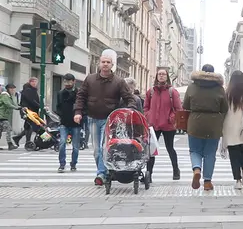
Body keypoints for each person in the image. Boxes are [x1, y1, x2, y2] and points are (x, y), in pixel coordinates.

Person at [73, 49, 135, 186]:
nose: (105, 64)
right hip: (93, 118)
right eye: (103, 62)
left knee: (103, 148)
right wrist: (78, 112)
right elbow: (81, 96)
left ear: (112, 65)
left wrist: (129, 110)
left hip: (110, 120)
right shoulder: (90, 79)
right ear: (99, 64)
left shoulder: (118, 82)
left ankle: (101, 174)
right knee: (96, 151)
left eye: (108, 62)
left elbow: (129, 98)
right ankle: (104, 172)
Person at [183, 63, 228, 191]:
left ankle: (197, 169)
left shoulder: (192, 86)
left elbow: (186, 105)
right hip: (213, 124)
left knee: (195, 150)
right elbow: (225, 107)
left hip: (195, 122)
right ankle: (207, 182)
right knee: (210, 153)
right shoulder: (219, 88)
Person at [145, 69, 182, 182]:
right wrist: (148, 115)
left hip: (168, 125)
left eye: (163, 74)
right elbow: (146, 107)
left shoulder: (172, 91)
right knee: (151, 150)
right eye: (159, 74)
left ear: (167, 77)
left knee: (170, 148)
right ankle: (149, 174)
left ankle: (176, 169)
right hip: (154, 124)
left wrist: (171, 117)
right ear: (156, 76)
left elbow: (178, 108)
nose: (161, 76)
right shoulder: (151, 91)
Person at [56, 74, 82, 172]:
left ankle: (73, 163)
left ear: (74, 81)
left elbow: (82, 107)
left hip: (76, 123)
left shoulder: (79, 93)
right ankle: (62, 164)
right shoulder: (60, 93)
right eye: (65, 81)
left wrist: (80, 116)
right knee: (62, 143)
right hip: (64, 122)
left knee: (75, 146)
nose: (67, 83)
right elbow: (58, 106)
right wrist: (60, 115)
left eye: (69, 81)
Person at [12, 77, 40, 147]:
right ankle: (27, 142)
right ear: (30, 82)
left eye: (35, 82)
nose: (34, 83)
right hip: (28, 111)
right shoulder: (28, 90)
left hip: (32, 111)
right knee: (30, 126)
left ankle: (17, 138)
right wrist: (40, 106)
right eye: (33, 82)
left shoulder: (33, 90)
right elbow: (31, 101)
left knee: (29, 126)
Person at [0, 84, 20, 150]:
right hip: (1, 116)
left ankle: (10, 144)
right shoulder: (4, 95)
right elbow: (7, 104)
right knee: (9, 129)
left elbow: (14, 104)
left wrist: (20, 107)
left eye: (14, 89)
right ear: (8, 89)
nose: (13, 90)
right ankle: (10, 144)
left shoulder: (9, 96)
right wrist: (16, 108)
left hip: (3, 116)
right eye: (12, 89)